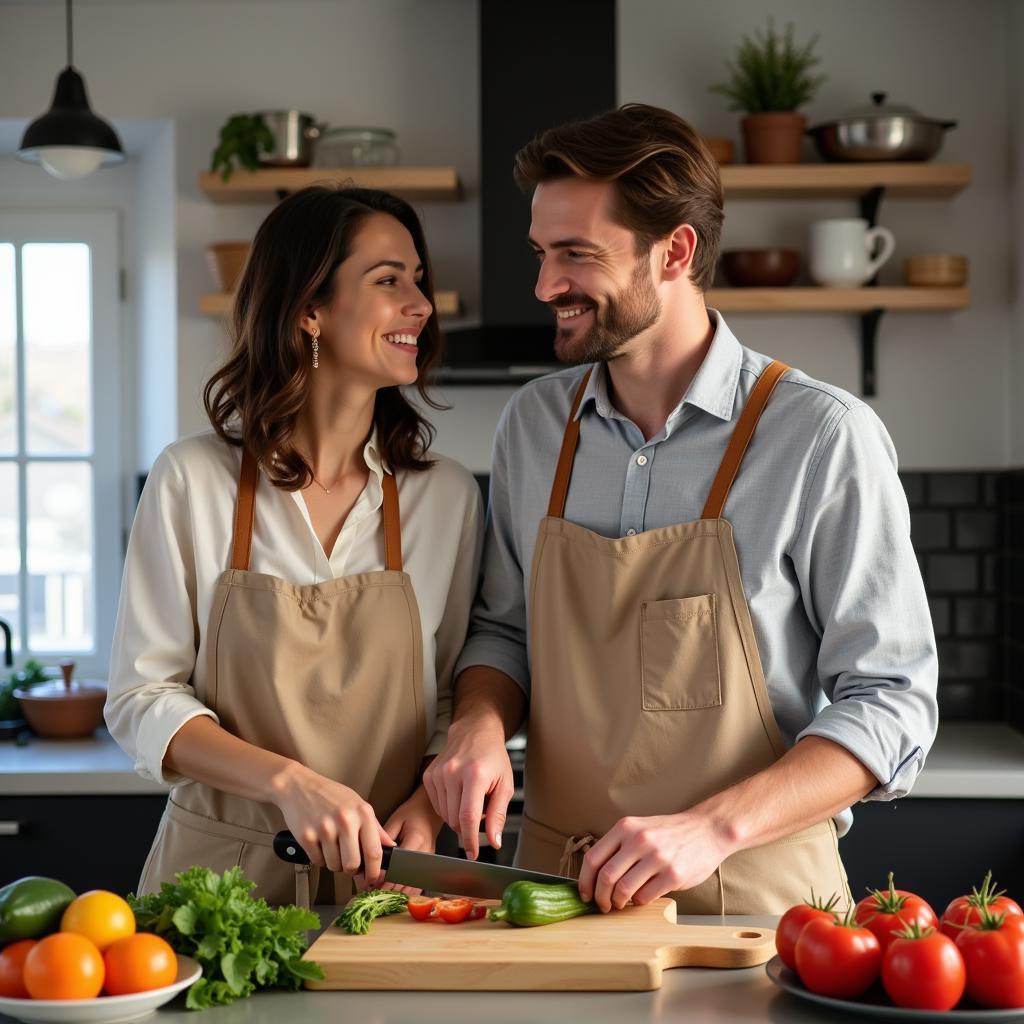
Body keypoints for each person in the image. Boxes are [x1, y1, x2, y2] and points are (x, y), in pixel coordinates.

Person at [422, 104, 938, 915]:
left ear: (677, 251)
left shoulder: (820, 435)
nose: (545, 286)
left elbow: (894, 698)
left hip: (761, 908)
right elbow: (505, 630)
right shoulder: (533, 426)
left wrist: (712, 827)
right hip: (556, 899)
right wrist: (480, 722)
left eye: (575, 255)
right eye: (541, 253)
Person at [106, 185, 483, 907]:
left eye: (418, 279)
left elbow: (446, 700)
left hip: (384, 889)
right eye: (388, 281)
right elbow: (142, 698)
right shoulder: (193, 480)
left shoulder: (447, 498)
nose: (421, 304)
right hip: (215, 885)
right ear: (309, 309)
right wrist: (289, 783)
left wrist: (430, 809)